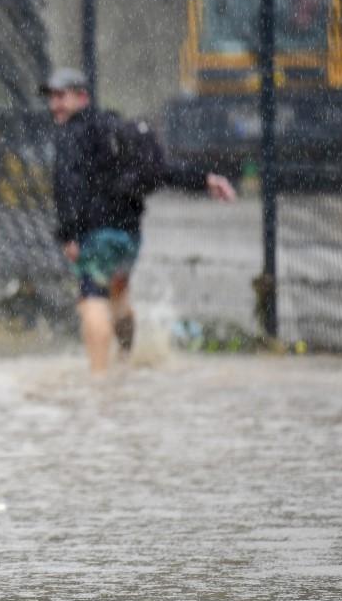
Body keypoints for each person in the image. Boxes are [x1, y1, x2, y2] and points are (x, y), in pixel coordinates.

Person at [41, 69, 236, 373]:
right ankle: (125, 364)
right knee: (119, 298)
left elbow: (67, 186)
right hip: (129, 236)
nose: (55, 105)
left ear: (82, 97)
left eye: (61, 97)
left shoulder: (71, 134)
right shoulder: (118, 127)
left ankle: (99, 380)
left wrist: (69, 235)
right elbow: (159, 169)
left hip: (95, 235)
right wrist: (205, 180)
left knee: (93, 300)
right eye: (51, 98)